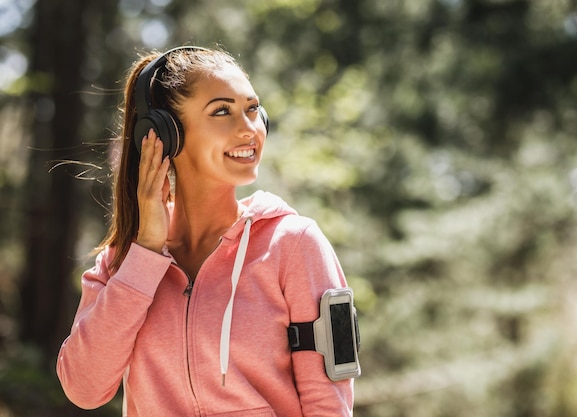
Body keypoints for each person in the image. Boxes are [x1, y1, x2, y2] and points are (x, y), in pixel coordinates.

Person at [56, 45, 354, 416]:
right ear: (164, 132)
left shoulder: (294, 244)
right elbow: (84, 389)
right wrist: (145, 255)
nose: (249, 130)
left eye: (252, 110)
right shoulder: (122, 262)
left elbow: (329, 403)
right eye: (222, 112)